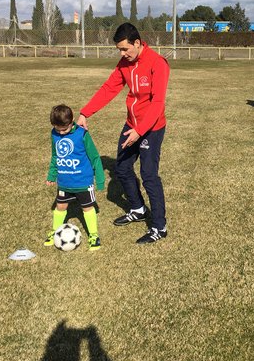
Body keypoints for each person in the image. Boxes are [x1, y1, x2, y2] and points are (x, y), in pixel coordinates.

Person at [77, 23, 170, 244]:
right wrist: (84, 113)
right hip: (132, 124)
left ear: (137, 43)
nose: (122, 54)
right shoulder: (124, 64)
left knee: (149, 175)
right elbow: (109, 89)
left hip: (152, 127)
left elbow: (157, 103)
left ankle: (159, 226)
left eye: (125, 49)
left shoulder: (158, 64)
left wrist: (139, 132)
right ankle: (138, 209)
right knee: (122, 167)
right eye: (119, 50)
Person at [45, 104, 105, 251]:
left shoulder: (82, 135)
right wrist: (52, 175)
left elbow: (95, 157)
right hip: (64, 182)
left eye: (64, 129)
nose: (61, 133)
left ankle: (94, 235)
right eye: (58, 129)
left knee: (87, 208)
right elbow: (55, 156)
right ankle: (55, 232)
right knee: (60, 207)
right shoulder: (54, 134)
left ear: (72, 121)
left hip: (83, 182)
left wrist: (100, 179)